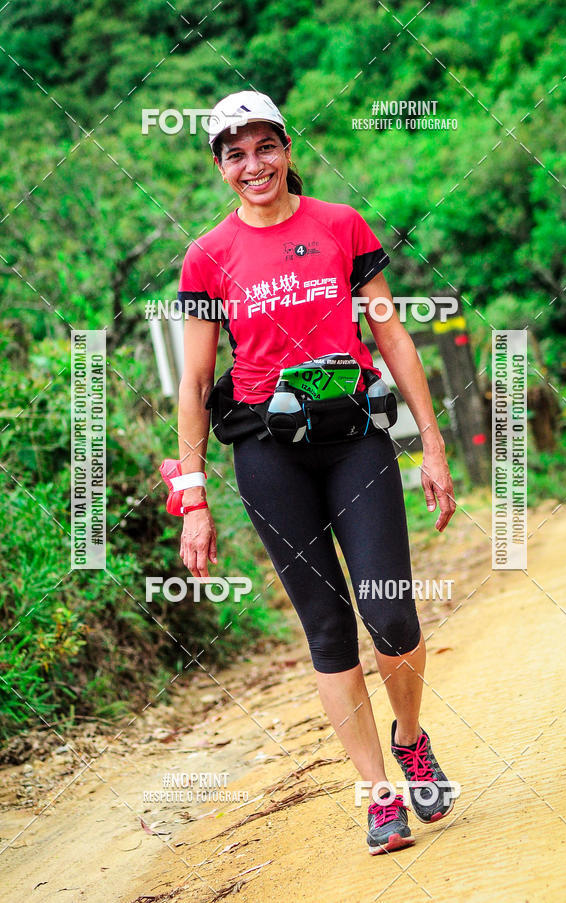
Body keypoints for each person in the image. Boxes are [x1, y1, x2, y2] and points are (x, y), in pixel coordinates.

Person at [175, 90, 457, 855]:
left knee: (391, 612)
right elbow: (195, 383)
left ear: (287, 148)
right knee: (328, 626)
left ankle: (411, 738)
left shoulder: (341, 225)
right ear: (220, 165)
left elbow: (393, 338)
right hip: (268, 455)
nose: (253, 163)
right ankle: (376, 794)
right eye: (236, 152)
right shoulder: (208, 256)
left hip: (356, 437)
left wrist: (431, 442)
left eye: (264, 145)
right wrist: (192, 495)